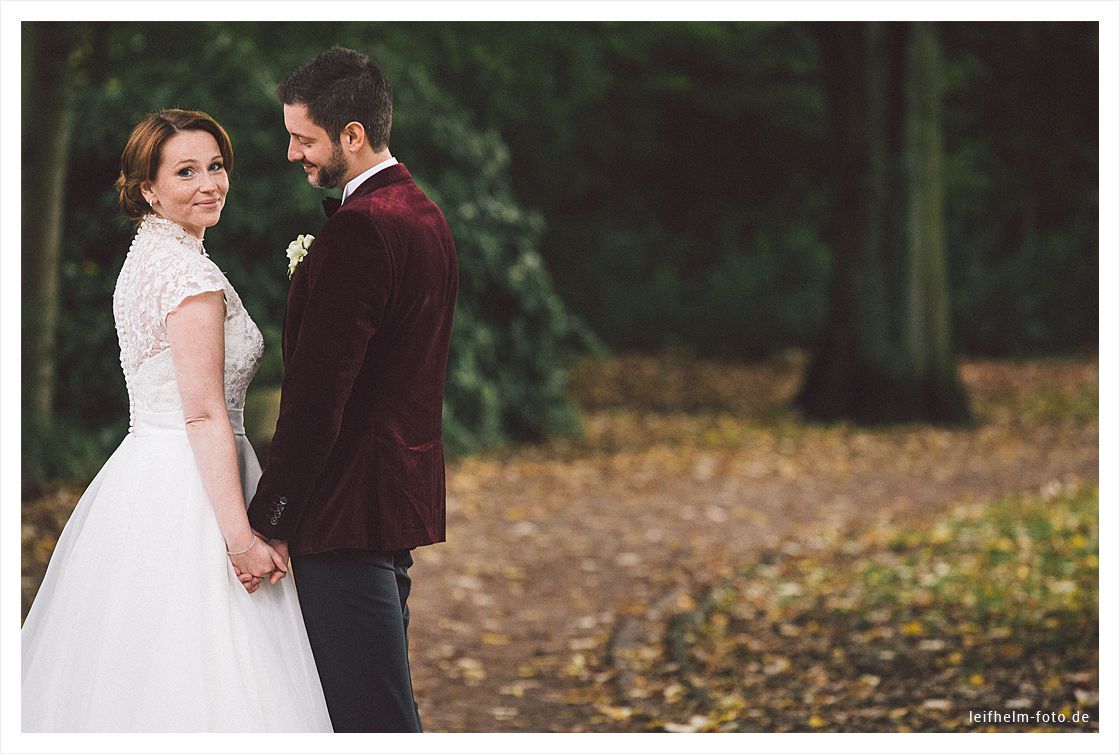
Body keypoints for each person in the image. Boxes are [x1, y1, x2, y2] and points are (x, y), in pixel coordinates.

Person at [20, 109, 332, 733]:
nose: (210, 183)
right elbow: (204, 411)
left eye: (216, 167)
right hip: (196, 485)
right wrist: (240, 538)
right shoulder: (187, 275)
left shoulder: (148, 257)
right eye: (186, 171)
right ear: (147, 189)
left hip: (146, 474)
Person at [246, 47, 458, 733]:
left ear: (353, 135)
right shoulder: (422, 212)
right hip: (390, 498)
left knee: (373, 720)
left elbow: (317, 400)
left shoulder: (361, 232)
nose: (291, 154)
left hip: (344, 514)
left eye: (303, 138)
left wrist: (270, 517)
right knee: (380, 704)